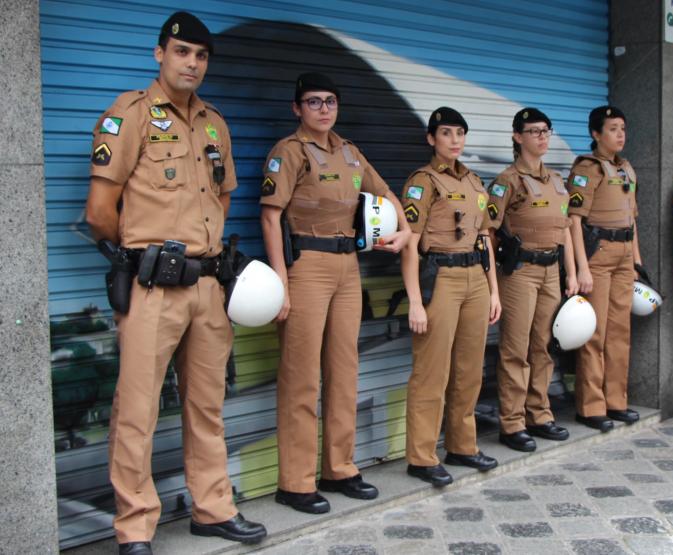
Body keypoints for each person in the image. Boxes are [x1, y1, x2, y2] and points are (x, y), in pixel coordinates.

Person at [84, 12, 266, 554]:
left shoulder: (215, 123)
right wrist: (143, 256)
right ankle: (134, 527)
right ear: (159, 54)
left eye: (201, 55)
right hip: (152, 288)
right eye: (182, 51)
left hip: (209, 287)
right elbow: (99, 211)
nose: (192, 63)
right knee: (137, 409)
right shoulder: (129, 116)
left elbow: (222, 198)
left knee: (207, 405)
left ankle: (211, 510)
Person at [259, 73, 411, 514]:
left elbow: (384, 194)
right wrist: (280, 284)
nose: (323, 109)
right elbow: (270, 218)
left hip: (348, 267)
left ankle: (340, 467)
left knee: (345, 369)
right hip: (305, 265)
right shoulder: (288, 153)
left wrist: (405, 231)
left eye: (330, 101)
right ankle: (296, 481)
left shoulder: (350, 152)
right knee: (301, 376)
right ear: (297, 108)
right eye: (313, 102)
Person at [400, 107, 501, 487]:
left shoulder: (476, 182)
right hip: (439, 278)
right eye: (446, 133)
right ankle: (422, 457)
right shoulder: (421, 182)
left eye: (460, 132)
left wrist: (494, 290)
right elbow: (409, 245)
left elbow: (485, 238)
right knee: (431, 371)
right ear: (431, 139)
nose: (455, 140)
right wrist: (414, 300)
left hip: (475, 277)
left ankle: (462, 446)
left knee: (469, 370)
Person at [487, 108, 577, 452]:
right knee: (515, 348)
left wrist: (569, 273)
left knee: (543, 345)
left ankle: (539, 413)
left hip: (551, 271)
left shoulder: (556, 180)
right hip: (520, 272)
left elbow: (566, 229)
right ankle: (512, 423)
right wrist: (494, 282)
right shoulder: (507, 182)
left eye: (546, 131)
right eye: (534, 131)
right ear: (517, 137)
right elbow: (489, 234)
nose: (542, 136)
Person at [566, 106, 646, 433]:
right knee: (594, 334)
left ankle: (617, 400)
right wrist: (582, 268)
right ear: (596, 134)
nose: (620, 134)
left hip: (624, 254)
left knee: (619, 332)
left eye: (623, 128)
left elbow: (633, 220)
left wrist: (637, 261)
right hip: (598, 255)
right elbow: (573, 220)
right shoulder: (587, 169)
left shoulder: (627, 168)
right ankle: (591, 406)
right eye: (613, 129)